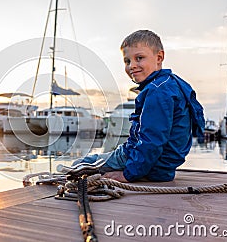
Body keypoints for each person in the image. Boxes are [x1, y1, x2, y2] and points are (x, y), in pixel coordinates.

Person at [72, 30, 205, 182]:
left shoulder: (157, 91)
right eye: (127, 61)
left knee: (80, 164)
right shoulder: (172, 83)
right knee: (95, 160)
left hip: (149, 165)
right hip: (165, 166)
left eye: (139, 58)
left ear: (159, 57)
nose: (132, 66)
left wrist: (128, 174)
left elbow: (152, 140)